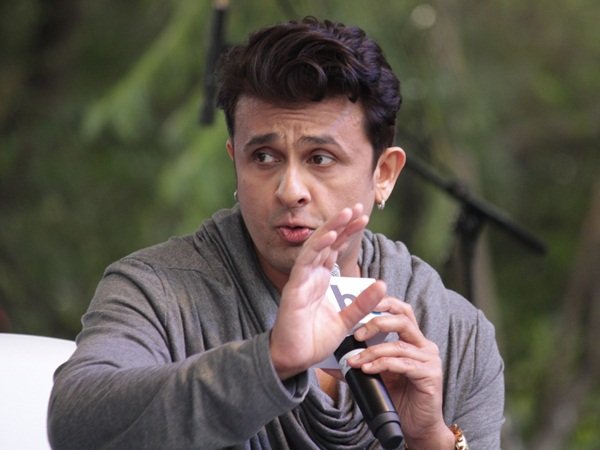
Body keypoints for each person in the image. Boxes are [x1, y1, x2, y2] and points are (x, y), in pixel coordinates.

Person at [48, 16, 504, 449]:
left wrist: (431, 439)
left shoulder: (455, 332)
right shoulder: (158, 292)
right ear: (236, 162)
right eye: (264, 157)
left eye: (320, 158)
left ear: (384, 173)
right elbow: (75, 426)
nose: (289, 191)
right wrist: (269, 362)